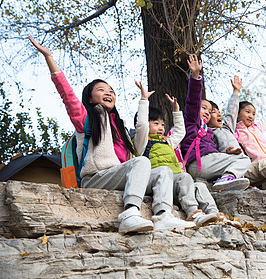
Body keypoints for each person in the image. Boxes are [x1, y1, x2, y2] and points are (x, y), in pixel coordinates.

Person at [29, 36, 195, 233]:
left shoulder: (121, 126)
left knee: (164, 172)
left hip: (117, 176)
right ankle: (131, 213)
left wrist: (143, 101)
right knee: (141, 162)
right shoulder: (87, 118)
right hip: (95, 177)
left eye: (111, 90)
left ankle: (163, 216)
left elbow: (139, 139)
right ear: (90, 98)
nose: (109, 93)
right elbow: (68, 97)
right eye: (101, 90)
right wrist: (49, 59)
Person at [132, 82, 223, 226]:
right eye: (156, 123)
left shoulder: (167, 143)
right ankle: (193, 212)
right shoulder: (142, 143)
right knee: (185, 177)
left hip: (177, 184)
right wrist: (144, 101)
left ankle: (214, 214)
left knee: (200, 186)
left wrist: (176, 111)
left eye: (162, 124)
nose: (161, 127)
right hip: (158, 184)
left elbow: (181, 131)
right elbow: (142, 125)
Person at [179, 55, 251, 192]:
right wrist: (195, 76)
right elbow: (193, 101)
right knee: (244, 160)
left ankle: (227, 178)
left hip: (208, 163)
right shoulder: (191, 121)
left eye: (209, 110)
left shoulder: (209, 131)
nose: (207, 112)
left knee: (242, 160)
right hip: (199, 163)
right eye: (203, 108)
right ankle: (227, 177)